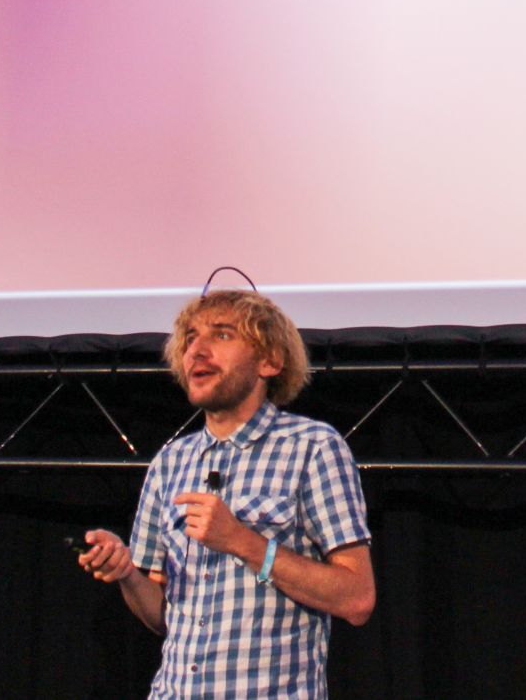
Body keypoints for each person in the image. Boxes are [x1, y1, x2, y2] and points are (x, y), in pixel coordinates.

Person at [78, 289, 375, 698]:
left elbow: (357, 599)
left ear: (270, 361)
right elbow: (163, 616)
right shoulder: (170, 462)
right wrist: (126, 572)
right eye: (190, 339)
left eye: (220, 335)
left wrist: (242, 542)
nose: (196, 351)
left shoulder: (312, 447)